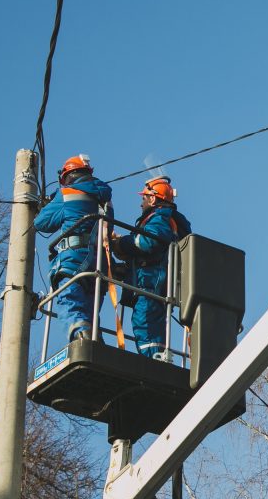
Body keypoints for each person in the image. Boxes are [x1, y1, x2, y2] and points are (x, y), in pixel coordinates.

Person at [109, 176, 191, 359]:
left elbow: (148, 242)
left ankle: (153, 361)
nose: (141, 204)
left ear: (153, 198)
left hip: (150, 284)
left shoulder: (159, 218)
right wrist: (123, 267)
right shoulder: (164, 219)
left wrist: (122, 243)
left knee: (146, 325)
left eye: (143, 198)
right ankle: (155, 358)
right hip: (152, 282)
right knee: (148, 326)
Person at [34, 154, 113, 341]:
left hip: (73, 259)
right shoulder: (105, 199)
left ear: (67, 175)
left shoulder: (66, 194)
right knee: (90, 310)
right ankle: (94, 341)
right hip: (99, 262)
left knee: (70, 301)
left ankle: (81, 336)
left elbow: (41, 223)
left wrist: (46, 206)